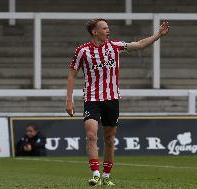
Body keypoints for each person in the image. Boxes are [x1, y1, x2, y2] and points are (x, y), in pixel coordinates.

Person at [66, 18, 169, 186]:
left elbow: (140, 44)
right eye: (105, 28)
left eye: (108, 27)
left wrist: (158, 34)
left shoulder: (114, 46)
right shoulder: (82, 51)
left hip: (112, 99)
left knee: (109, 138)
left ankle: (106, 176)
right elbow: (72, 75)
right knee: (91, 134)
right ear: (95, 32)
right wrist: (69, 101)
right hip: (92, 98)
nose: (108, 30)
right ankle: (96, 173)